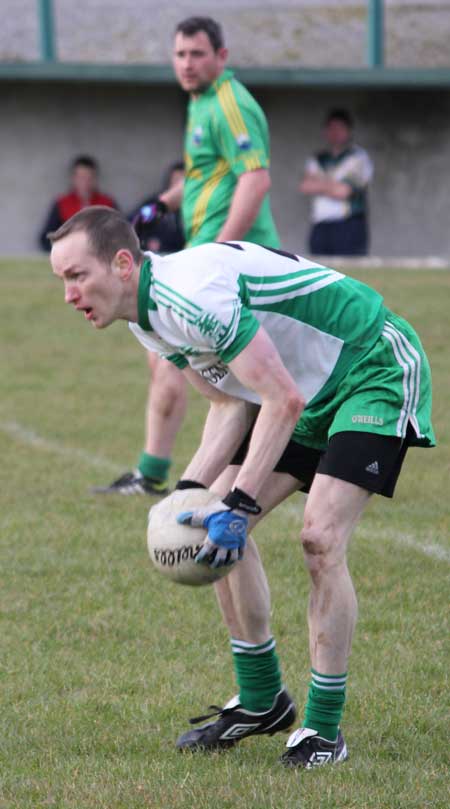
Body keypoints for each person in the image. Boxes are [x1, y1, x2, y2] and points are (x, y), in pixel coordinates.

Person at [50, 206, 435, 769]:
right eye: (63, 279)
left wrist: (239, 501)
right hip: (297, 388)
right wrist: (189, 493)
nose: (69, 294)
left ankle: (323, 730)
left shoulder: (190, 299)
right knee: (209, 519)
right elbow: (232, 401)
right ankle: (261, 701)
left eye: (76, 275)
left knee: (319, 540)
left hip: (368, 363)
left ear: (124, 263)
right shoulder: (145, 317)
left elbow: (281, 402)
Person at [95, 15, 280, 496]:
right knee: (181, 362)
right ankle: (167, 473)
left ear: (222, 57)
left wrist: (220, 250)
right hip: (208, 256)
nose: (188, 63)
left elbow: (255, 179)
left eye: (198, 54)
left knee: (183, 362)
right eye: (180, 54)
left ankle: (171, 475)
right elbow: (203, 176)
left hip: (235, 261)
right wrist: (160, 204)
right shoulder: (200, 104)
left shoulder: (230, 104)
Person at [299, 109, 373, 256]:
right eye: (331, 128)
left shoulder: (358, 157)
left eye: (340, 128)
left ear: (348, 131)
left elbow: (343, 191)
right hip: (321, 225)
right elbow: (305, 187)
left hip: (348, 225)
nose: (335, 132)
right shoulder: (318, 158)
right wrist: (332, 185)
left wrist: (319, 184)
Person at [39, 155, 118, 252]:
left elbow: (120, 235)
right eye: (81, 177)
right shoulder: (62, 203)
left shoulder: (107, 203)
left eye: (89, 178)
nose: (85, 182)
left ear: (95, 179)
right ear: (73, 179)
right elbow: (45, 238)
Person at [128, 161, 185, 254]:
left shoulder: (193, 207)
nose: (178, 187)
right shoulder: (156, 204)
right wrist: (147, 242)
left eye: (182, 182)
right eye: (176, 180)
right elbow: (134, 221)